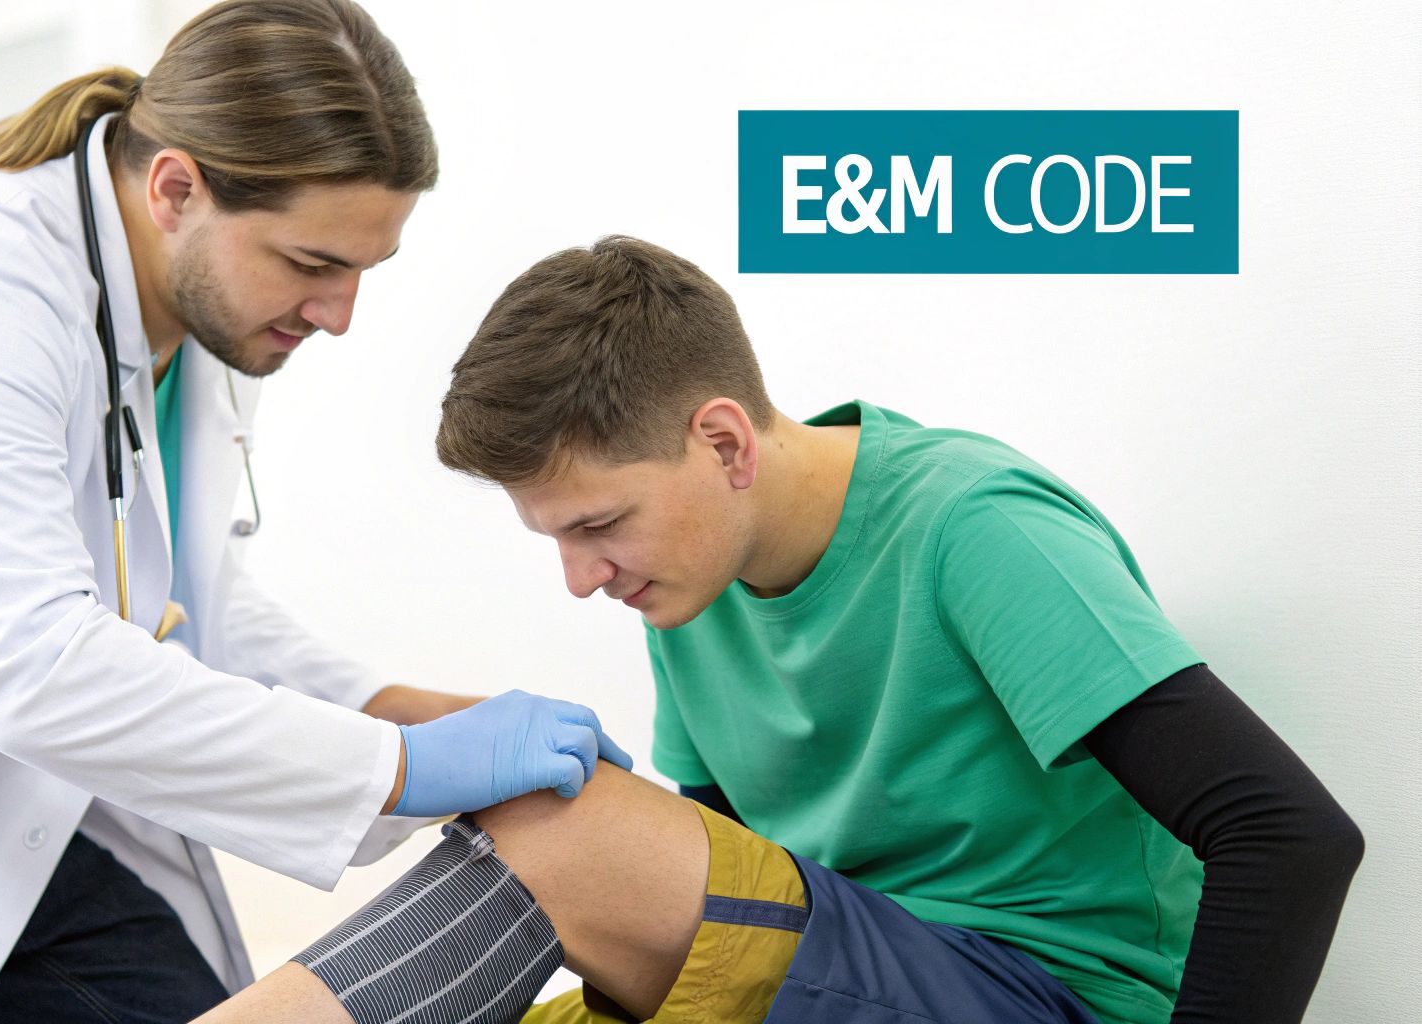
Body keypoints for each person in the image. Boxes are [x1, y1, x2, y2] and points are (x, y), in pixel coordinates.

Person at [0, 4, 631, 1022]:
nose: (339, 314)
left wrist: (413, 711)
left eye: (362, 269)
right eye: (314, 264)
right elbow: (34, 663)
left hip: (15, 827)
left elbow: (190, 608)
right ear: (174, 188)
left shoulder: (201, 315)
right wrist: (402, 769)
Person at [195, 236, 1363, 1024]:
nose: (578, 577)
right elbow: (717, 887)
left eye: (598, 523)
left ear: (722, 442)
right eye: (553, 536)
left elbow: (1288, 837)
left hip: (1039, 989)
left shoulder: (968, 526)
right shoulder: (689, 586)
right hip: (863, 966)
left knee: (561, 824)